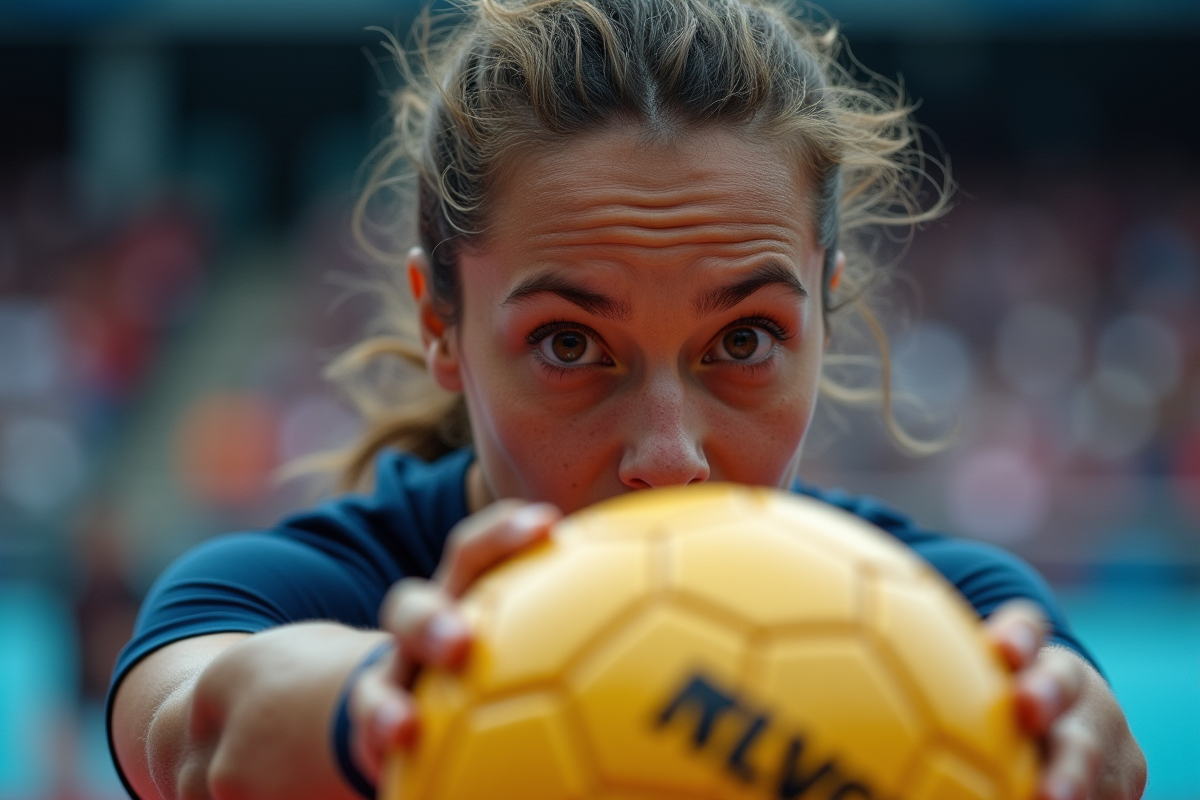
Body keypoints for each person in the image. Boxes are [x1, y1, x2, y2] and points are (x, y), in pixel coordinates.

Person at [107, 1, 1147, 798]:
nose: (669, 456)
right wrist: (383, 704)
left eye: (744, 339)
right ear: (441, 324)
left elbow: (1070, 731)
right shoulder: (270, 593)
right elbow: (207, 727)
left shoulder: (960, 620)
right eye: (570, 343)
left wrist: (1060, 738)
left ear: (826, 312)